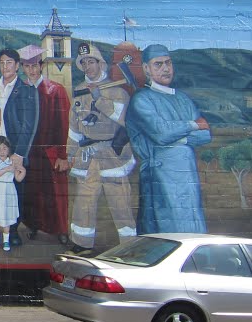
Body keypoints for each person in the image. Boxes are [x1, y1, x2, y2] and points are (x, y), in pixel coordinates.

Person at [126, 43, 212, 234]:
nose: (165, 68)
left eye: (168, 63)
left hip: (187, 174)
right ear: (146, 69)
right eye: (158, 64)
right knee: (165, 232)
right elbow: (161, 133)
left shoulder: (182, 99)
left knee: (193, 230)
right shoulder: (142, 100)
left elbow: (205, 134)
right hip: (160, 175)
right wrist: (191, 125)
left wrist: (181, 138)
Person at [65, 43, 137, 253]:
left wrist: (100, 100)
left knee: (120, 202)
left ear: (100, 63)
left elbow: (123, 120)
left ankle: (129, 245)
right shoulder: (79, 91)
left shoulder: (117, 91)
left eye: (91, 61)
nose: (87, 66)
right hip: (87, 157)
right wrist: (69, 153)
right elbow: (74, 127)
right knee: (84, 202)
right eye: (83, 63)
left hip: (112, 155)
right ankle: (81, 243)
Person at [18, 45, 71, 246]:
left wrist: (62, 155)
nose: (31, 70)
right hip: (29, 152)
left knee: (56, 194)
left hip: (50, 151)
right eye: (27, 66)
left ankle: (61, 229)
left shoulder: (55, 90)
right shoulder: (22, 91)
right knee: (33, 193)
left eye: (34, 66)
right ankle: (33, 226)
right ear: (23, 67)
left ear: (41, 66)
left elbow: (63, 125)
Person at [0, 48, 39, 249]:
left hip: (14, 150)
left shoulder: (27, 90)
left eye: (9, 62)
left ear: (17, 65)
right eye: (2, 62)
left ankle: (13, 231)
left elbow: (30, 125)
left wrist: (19, 154)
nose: (5, 66)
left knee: (14, 194)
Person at [0, 137, 26, 252]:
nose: (2, 151)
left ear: (9, 150)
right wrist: (6, 169)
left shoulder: (12, 162)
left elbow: (18, 178)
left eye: (4, 148)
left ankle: (6, 241)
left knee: (6, 217)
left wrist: (23, 171)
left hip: (8, 191)